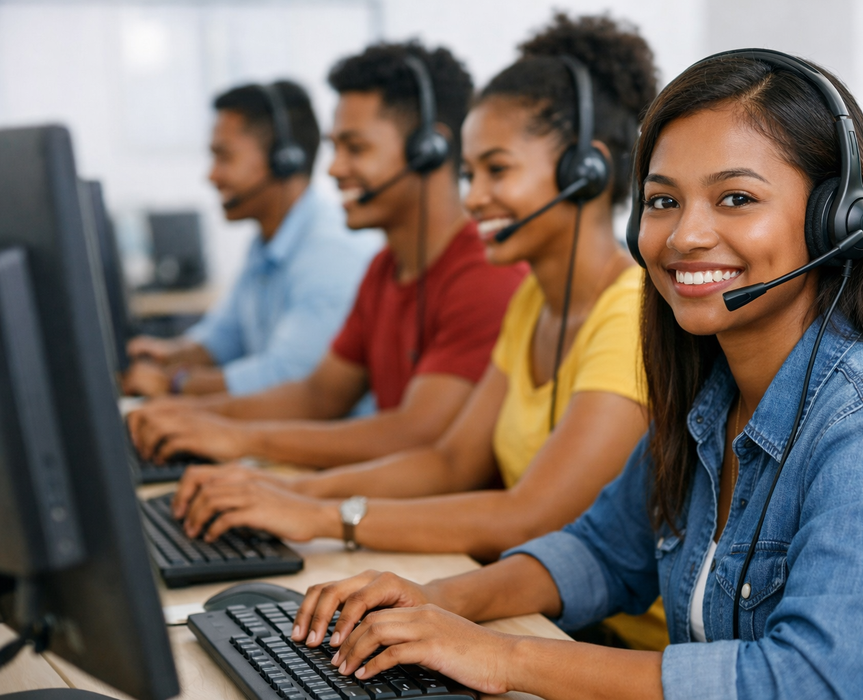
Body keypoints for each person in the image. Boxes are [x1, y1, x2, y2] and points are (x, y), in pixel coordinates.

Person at [282, 52, 863, 699]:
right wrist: (434, 602)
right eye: (662, 201)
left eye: (736, 199)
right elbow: (602, 552)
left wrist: (502, 655)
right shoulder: (712, 396)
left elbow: (808, 683)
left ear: (836, 222)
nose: (685, 235)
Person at [168, 13, 668, 651]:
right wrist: (284, 493)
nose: (475, 196)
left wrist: (323, 516)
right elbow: (450, 459)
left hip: (615, 643)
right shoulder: (532, 306)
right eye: (468, 174)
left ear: (585, 172)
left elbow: (533, 513)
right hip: (539, 613)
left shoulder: (629, 315)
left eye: (496, 170)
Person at [127, 43, 526, 467]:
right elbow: (318, 395)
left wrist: (245, 439)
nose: (333, 169)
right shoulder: (384, 268)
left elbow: (417, 433)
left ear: (428, 150)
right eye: (335, 147)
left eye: (355, 148)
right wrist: (189, 417)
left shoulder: (485, 275)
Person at [122, 81, 382, 398]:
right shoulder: (267, 243)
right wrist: (165, 355)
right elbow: (224, 337)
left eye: (224, 157)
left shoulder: (330, 249)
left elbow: (287, 377)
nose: (211, 175)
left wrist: (175, 384)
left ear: (284, 160)